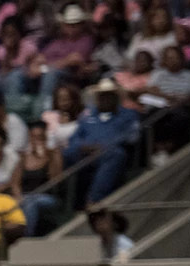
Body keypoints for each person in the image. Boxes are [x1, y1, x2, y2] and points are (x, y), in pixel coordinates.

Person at [66, 79, 140, 207]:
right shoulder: (87, 116)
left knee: (117, 154)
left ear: (115, 97)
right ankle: (62, 200)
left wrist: (106, 145)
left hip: (107, 152)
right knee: (65, 152)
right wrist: (84, 146)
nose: (105, 99)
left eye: (109, 96)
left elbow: (132, 135)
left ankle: (94, 200)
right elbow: (74, 138)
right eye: (102, 96)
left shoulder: (128, 114)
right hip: (84, 153)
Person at [19, 121, 63, 235]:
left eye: (40, 137)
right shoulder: (24, 158)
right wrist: (17, 196)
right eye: (34, 137)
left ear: (45, 138)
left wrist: (48, 157)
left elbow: (55, 180)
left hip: (47, 197)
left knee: (31, 202)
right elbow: (14, 182)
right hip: (25, 196)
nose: (37, 140)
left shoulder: (53, 154)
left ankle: (25, 238)